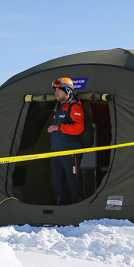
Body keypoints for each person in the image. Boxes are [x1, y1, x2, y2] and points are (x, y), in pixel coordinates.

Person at [47, 77, 84, 205]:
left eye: (59, 90)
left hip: (70, 152)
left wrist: (59, 127)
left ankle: (78, 208)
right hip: (56, 153)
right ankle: (60, 209)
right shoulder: (58, 107)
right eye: (55, 90)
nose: (56, 92)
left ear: (68, 91)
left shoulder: (74, 107)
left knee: (73, 182)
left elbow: (79, 128)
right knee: (56, 182)